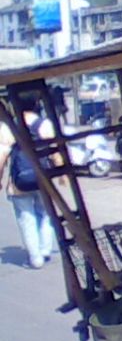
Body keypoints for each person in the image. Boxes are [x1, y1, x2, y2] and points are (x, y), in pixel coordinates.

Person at [0, 95, 58, 269]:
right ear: (36, 103)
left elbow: (2, 156)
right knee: (46, 214)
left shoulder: (9, 126)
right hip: (44, 178)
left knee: (27, 219)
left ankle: (35, 258)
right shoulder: (45, 124)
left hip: (20, 182)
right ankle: (45, 250)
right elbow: (56, 151)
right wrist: (61, 173)